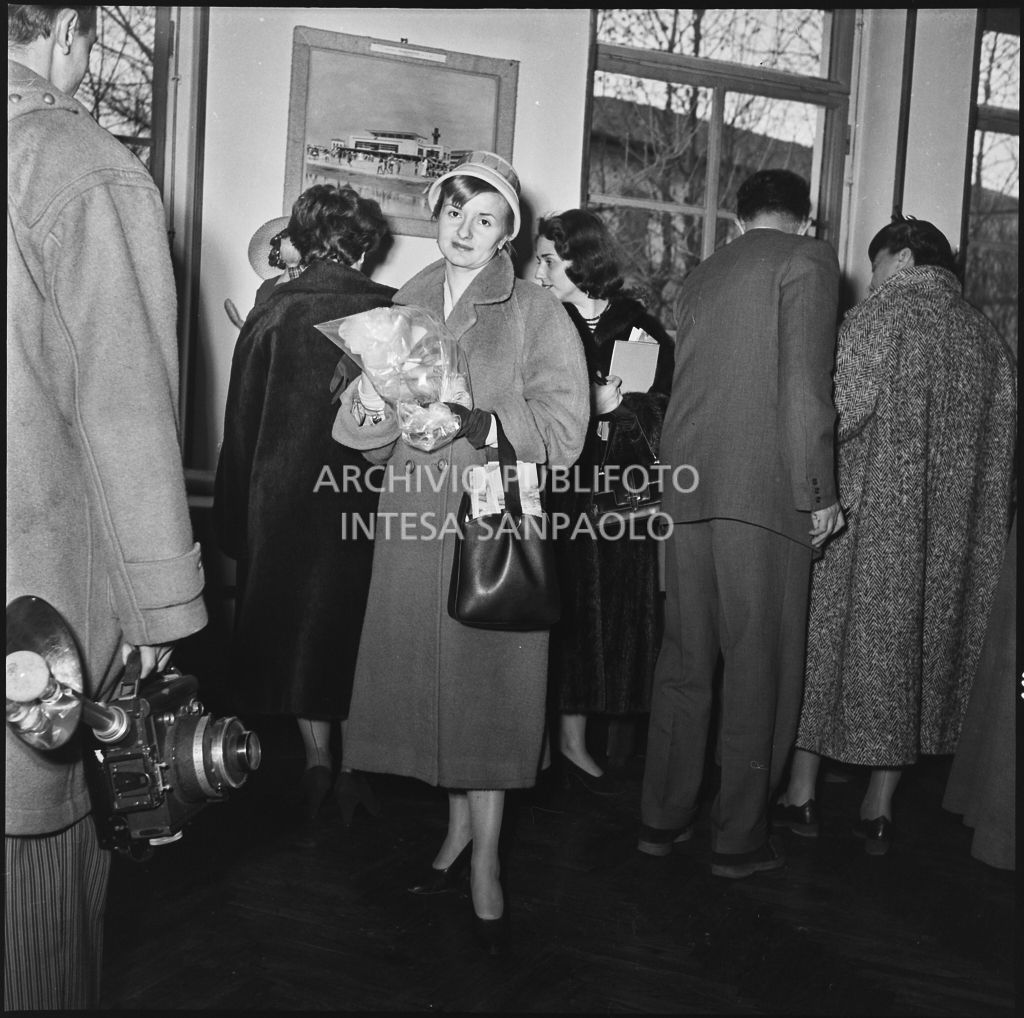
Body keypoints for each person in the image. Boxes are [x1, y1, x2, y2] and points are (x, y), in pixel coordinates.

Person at [332, 151, 589, 953]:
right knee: (431, 691)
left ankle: (487, 860)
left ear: (510, 231)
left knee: (485, 694)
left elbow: (564, 434)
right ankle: (453, 837)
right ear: (434, 214)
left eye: (485, 219)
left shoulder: (537, 312)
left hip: (491, 519)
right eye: (453, 213)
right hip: (412, 515)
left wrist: (483, 423)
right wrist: (369, 400)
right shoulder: (402, 302)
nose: (465, 231)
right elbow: (362, 444)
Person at [6, 6, 208, 1008]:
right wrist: (159, 619)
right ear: (71, 30)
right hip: (33, 627)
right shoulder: (72, 163)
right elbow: (127, 416)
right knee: (39, 928)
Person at [777, 217, 1016, 856]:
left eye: (876, 263)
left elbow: (840, 412)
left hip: (869, 529)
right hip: (954, 541)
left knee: (826, 653)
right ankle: (878, 806)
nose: (872, 277)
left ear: (903, 259)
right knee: (915, 661)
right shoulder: (989, 338)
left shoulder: (884, 316)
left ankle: (800, 793)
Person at [637, 169, 843, 878]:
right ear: (804, 218)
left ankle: (660, 821)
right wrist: (818, 490)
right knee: (761, 668)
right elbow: (806, 389)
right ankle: (739, 839)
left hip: (686, 490)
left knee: (685, 663)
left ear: (737, 217)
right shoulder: (808, 259)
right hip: (763, 495)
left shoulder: (701, 274)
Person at [213, 184, 395, 835]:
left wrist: (234, 523)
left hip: (282, 504)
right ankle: (356, 771)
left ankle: (318, 760)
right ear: (366, 247)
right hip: (366, 508)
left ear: (300, 239)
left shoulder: (272, 315)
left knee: (300, 635)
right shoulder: (395, 315)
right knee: (355, 634)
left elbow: (241, 428)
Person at [534, 209, 675, 791]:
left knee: (609, 619)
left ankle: (579, 737)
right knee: (551, 615)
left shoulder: (643, 331)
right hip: (551, 497)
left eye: (547, 259)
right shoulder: (539, 323)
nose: (538, 272)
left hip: (619, 504)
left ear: (580, 260)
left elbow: (669, 418)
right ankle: (548, 739)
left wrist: (620, 411)